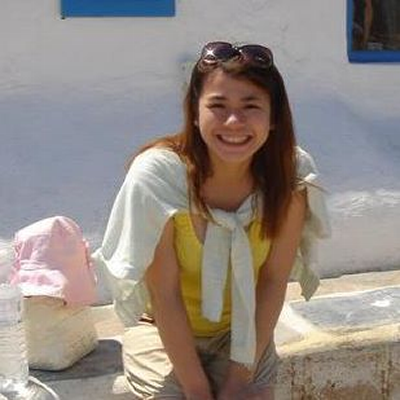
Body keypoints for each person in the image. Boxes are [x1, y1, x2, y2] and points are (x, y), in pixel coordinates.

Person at [93, 41, 331, 399]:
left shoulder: (290, 174)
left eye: (251, 106)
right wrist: (197, 390)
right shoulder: (161, 177)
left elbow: (272, 280)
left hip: (243, 330)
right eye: (218, 106)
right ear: (194, 111)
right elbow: (165, 293)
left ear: (274, 117)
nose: (234, 122)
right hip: (160, 329)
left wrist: (239, 380)